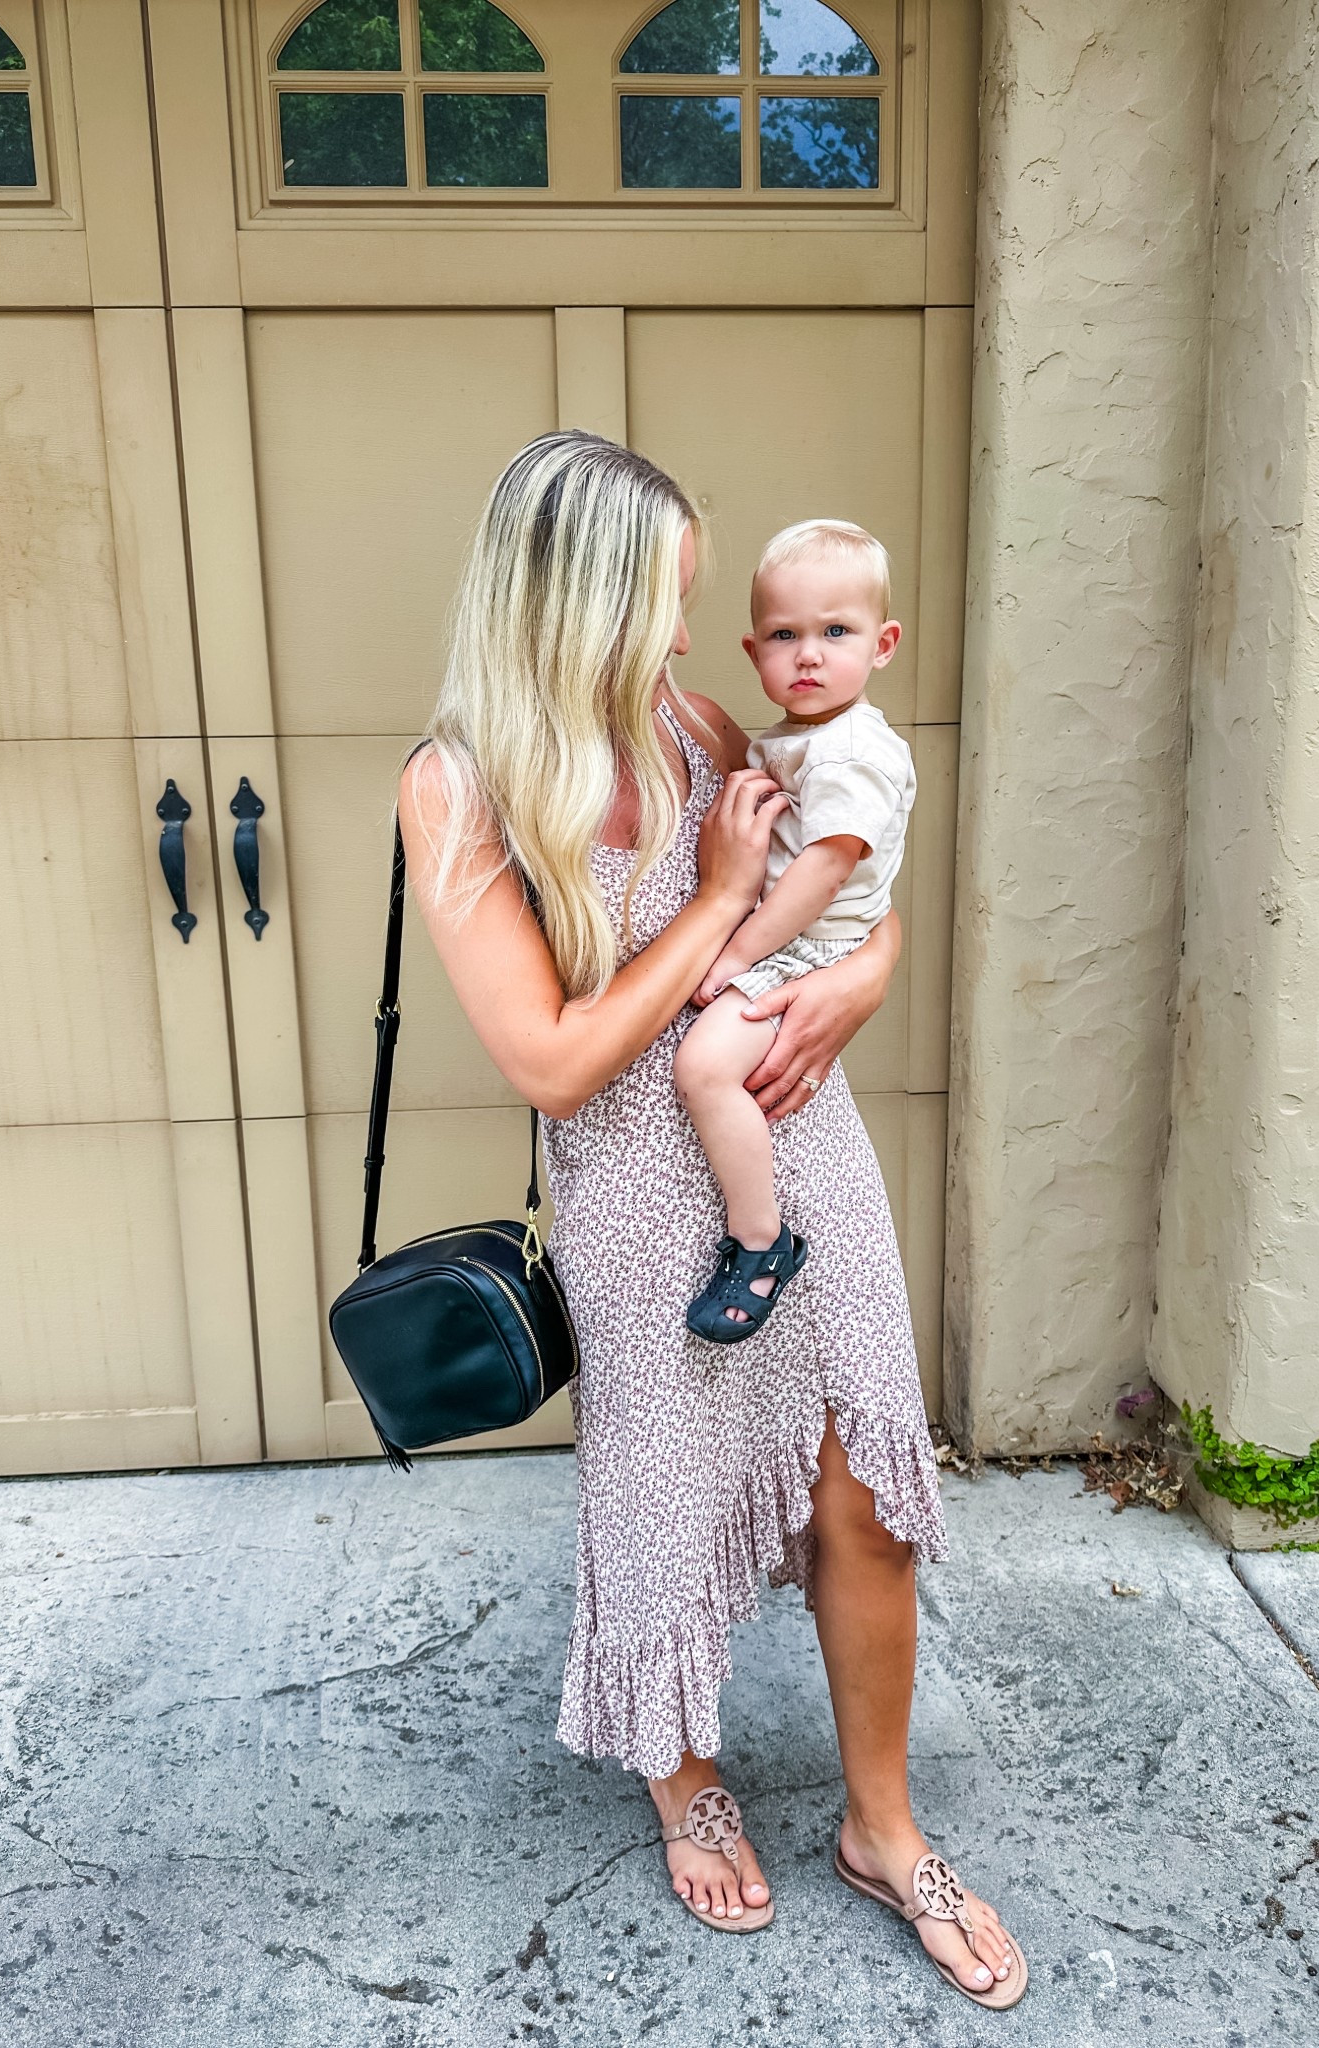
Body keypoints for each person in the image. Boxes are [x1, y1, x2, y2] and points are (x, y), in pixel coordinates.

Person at [400, 431, 1025, 2006]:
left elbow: (837, 888)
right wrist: (705, 908)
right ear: (582, 600)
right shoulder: (459, 784)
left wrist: (866, 983)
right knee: (667, 1508)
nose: (688, 639)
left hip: (793, 1146)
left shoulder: (691, 720)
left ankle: (883, 1827)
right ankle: (685, 1779)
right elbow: (551, 1056)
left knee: (862, 1498)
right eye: (664, 599)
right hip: (629, 1184)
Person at [674, 519, 918, 1345]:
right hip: (798, 940)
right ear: (753, 652)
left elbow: (825, 866)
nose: (808, 655)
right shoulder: (804, 739)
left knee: (706, 1067)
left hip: (804, 949)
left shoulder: (850, 751)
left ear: (883, 644)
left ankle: (760, 1242)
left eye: (835, 632)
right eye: (786, 635)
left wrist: (738, 948)